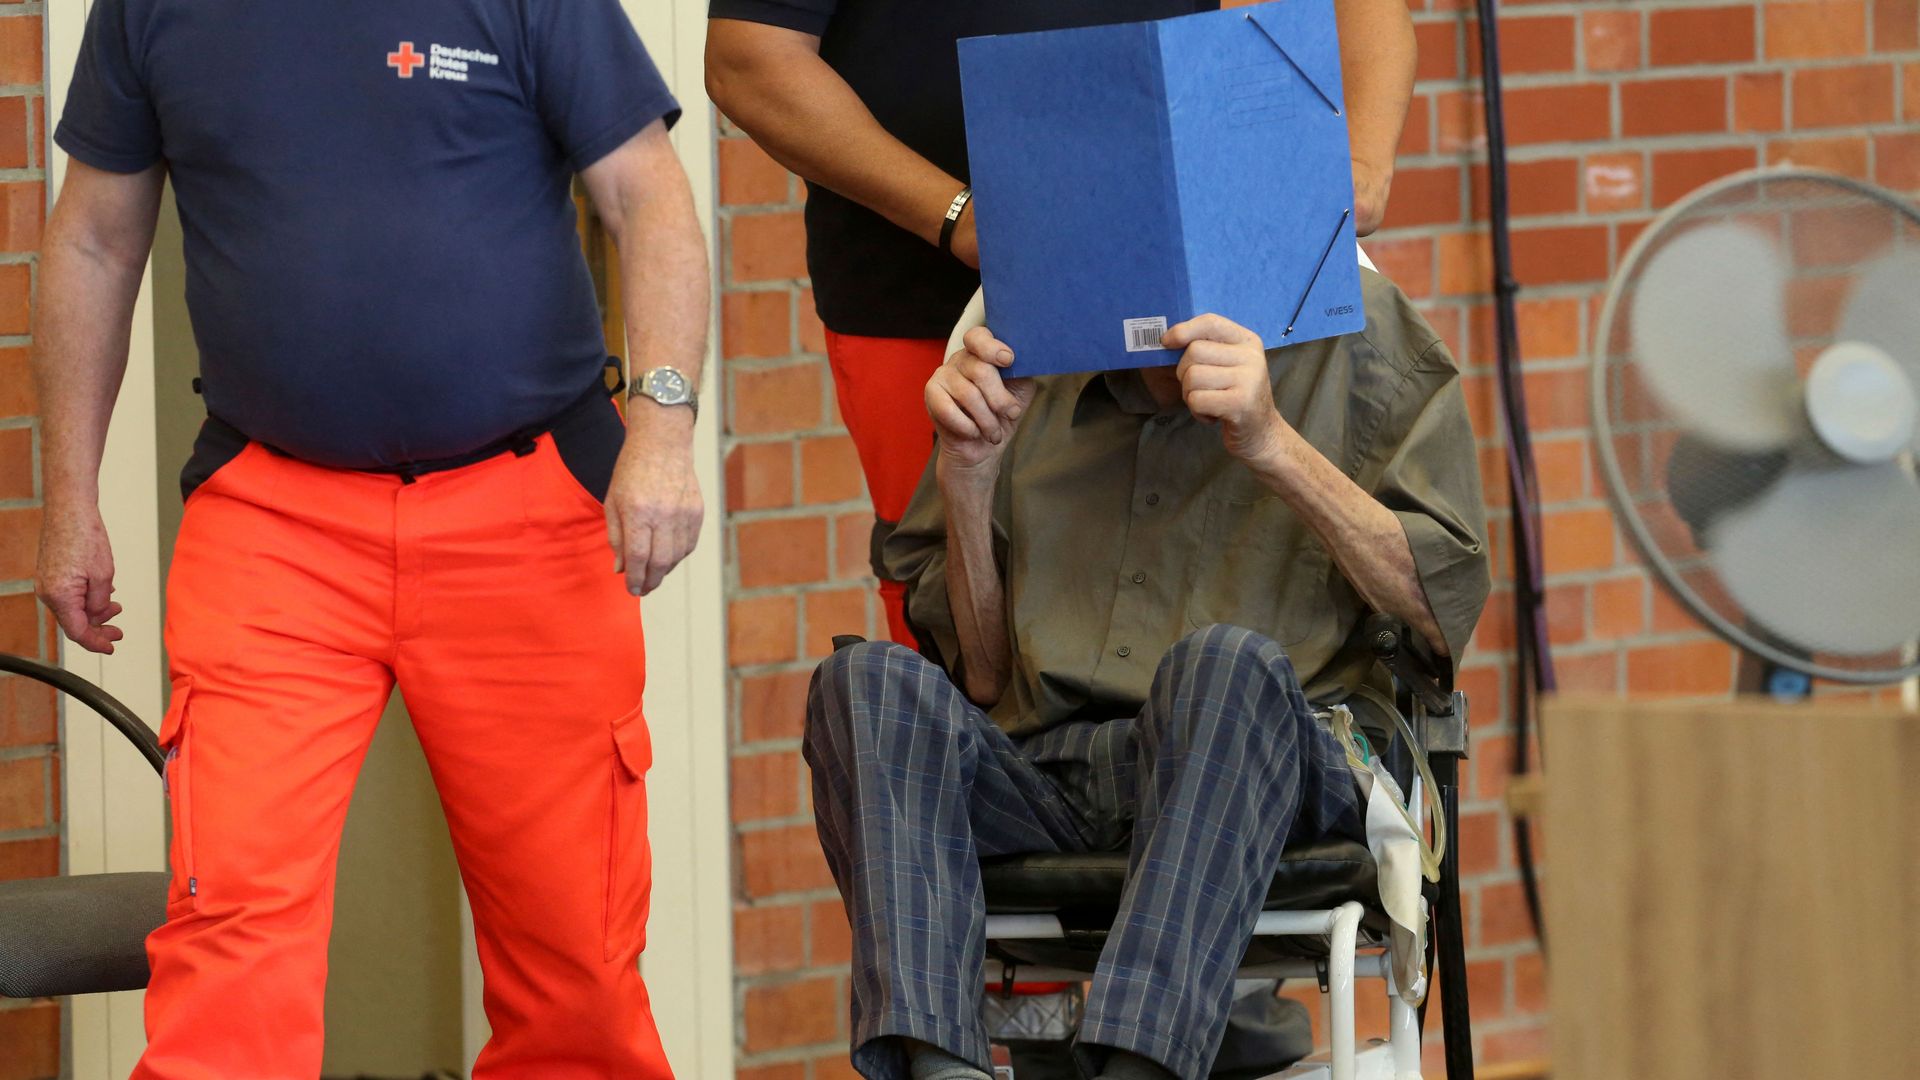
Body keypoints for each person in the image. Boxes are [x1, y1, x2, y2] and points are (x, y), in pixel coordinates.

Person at [37, 2, 707, 1076]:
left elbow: (649, 192)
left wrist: (664, 433)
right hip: (273, 523)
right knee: (230, 940)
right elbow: (92, 237)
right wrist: (68, 500)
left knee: (573, 965)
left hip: (526, 511)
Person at [803, 268, 1489, 1080]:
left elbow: (1437, 608)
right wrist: (967, 476)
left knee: (1223, 664)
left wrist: (1273, 443)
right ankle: (940, 1070)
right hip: (1051, 769)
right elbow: (982, 679)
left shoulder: (1363, 328)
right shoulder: (1027, 332)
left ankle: (1141, 1070)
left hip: (1264, 760)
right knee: (866, 683)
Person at [705, 0, 1416, 647]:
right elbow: (748, 60)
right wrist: (956, 215)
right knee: (956, 606)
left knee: (1253, 578)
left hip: (1212, 269)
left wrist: (1362, 162)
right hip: (933, 291)